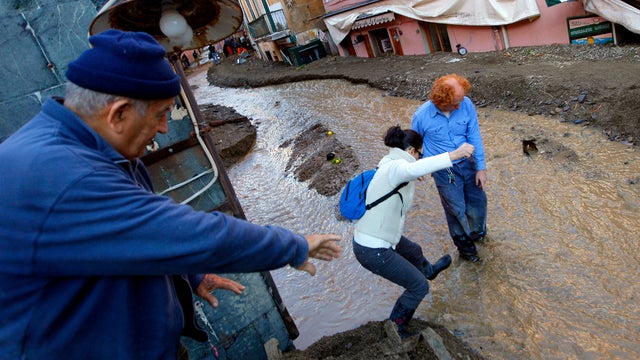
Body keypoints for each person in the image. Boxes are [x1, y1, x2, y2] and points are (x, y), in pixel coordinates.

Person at [0, 29, 341, 359]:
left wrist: (190, 274)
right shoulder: (64, 176)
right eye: (161, 114)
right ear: (118, 113)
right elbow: (196, 235)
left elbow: (134, 239)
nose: (165, 128)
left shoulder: (92, 150)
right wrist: (294, 246)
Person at [352, 125, 474, 338]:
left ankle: (428, 270)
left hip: (375, 237)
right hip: (372, 249)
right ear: (410, 152)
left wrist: (412, 172)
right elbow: (409, 169)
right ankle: (397, 327)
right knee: (418, 287)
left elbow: (407, 172)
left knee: (414, 250)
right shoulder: (396, 168)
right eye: (420, 154)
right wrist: (454, 154)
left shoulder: (388, 163)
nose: (420, 158)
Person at [411, 74, 488, 263]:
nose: (459, 106)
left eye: (461, 101)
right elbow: (414, 146)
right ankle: (467, 251)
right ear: (440, 101)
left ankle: (478, 235)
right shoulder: (421, 116)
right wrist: (416, 167)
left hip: (468, 164)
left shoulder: (466, 104)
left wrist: (481, 167)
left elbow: (474, 135)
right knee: (455, 210)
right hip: (445, 172)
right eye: (455, 103)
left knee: (478, 202)